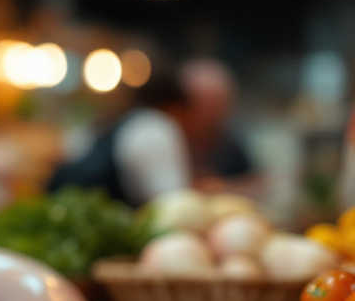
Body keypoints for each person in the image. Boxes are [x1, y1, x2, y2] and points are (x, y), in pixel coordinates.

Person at [47, 72, 192, 206]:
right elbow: (172, 200)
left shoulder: (108, 121)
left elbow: (64, 153)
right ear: (175, 106)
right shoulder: (154, 126)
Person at [179, 58, 255, 190]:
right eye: (205, 104)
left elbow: (254, 182)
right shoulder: (171, 139)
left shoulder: (230, 143)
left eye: (218, 104)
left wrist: (223, 187)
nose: (212, 114)